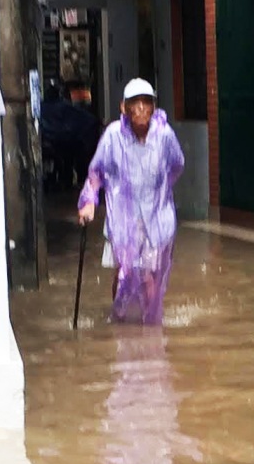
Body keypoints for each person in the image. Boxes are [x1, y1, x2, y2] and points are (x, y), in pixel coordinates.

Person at [78, 78, 186, 326]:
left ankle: (150, 334)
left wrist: (160, 192)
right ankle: (120, 319)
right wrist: (89, 202)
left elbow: (177, 165)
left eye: (146, 102)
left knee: (149, 276)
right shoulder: (113, 136)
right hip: (124, 219)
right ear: (123, 107)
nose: (140, 108)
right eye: (134, 103)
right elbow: (96, 173)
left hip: (156, 217)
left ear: (154, 106)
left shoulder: (164, 135)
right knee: (124, 272)